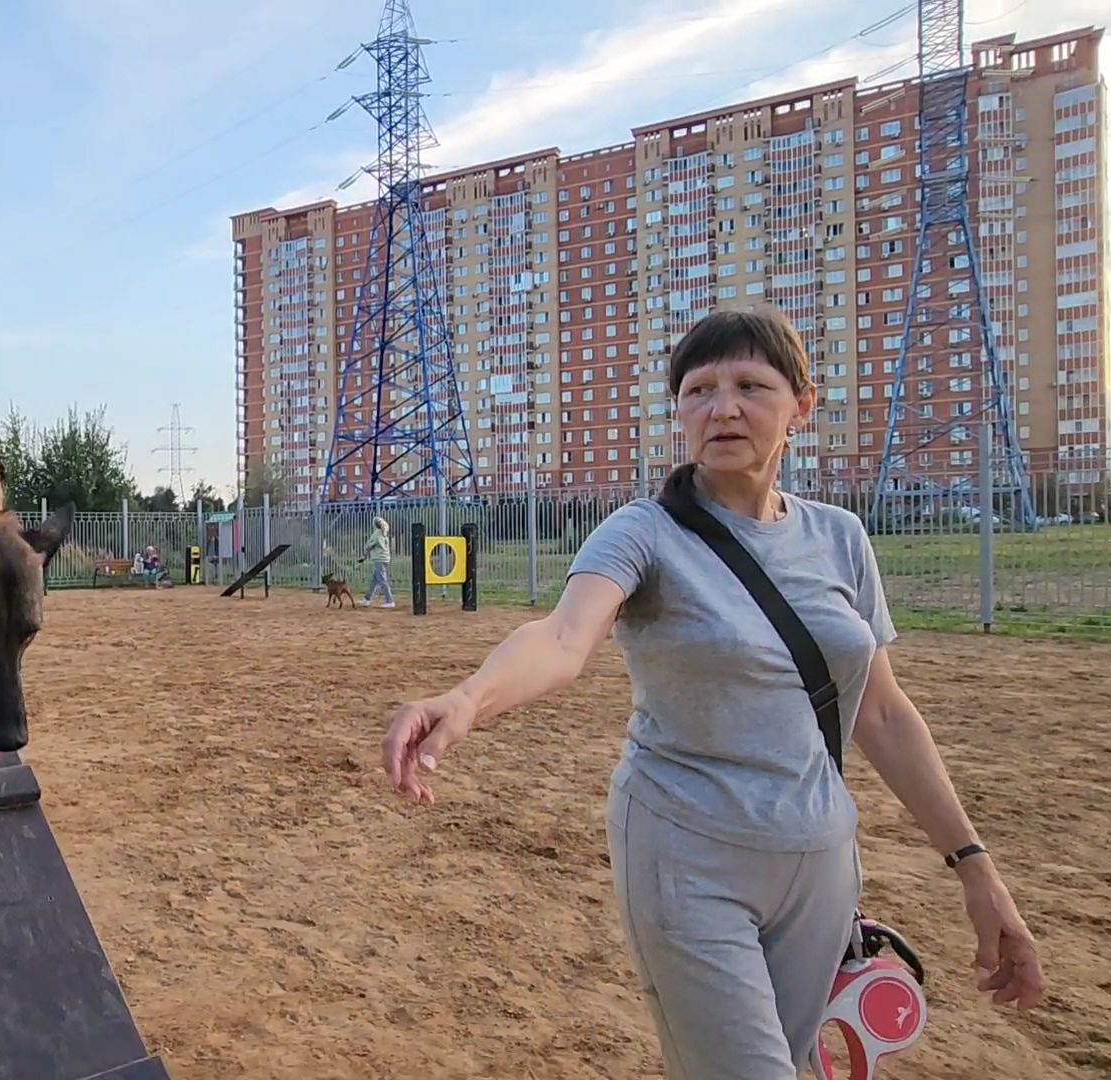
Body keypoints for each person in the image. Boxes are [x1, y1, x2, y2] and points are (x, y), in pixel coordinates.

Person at [378, 307, 1044, 1078]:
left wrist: (975, 868)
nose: (722, 407)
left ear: (802, 406)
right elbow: (561, 639)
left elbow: (883, 711)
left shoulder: (840, 538)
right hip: (686, 853)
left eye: (750, 386)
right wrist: (468, 699)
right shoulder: (644, 532)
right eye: (699, 390)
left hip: (820, 863)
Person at [360, 515, 396, 609]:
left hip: (379, 559)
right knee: (374, 580)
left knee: (382, 580)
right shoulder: (384, 532)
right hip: (385, 558)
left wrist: (364, 555)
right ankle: (367, 599)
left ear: (374, 524)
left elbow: (369, 546)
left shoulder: (376, 534)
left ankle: (390, 601)